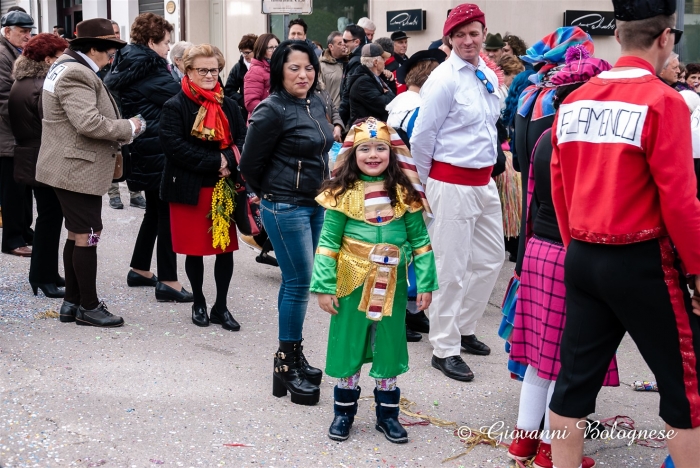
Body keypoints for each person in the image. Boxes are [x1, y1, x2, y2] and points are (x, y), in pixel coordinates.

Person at [548, 0, 700, 466]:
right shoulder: (663, 100)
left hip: (583, 255)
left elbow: (559, 183)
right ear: (666, 38)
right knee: (686, 390)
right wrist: (697, 271)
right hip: (640, 258)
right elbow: (680, 199)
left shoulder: (574, 99)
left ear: (618, 35)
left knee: (573, 385)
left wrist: (577, 248)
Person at [506, 51, 616, 468]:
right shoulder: (587, 139)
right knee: (567, 364)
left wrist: (520, 261)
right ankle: (553, 451)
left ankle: (523, 443)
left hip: (538, 252)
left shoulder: (545, 134)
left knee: (540, 359)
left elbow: (532, 204)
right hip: (571, 252)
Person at [311, 117, 437, 443]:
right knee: (349, 344)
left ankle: (388, 416)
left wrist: (424, 283)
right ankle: (343, 413)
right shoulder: (340, 194)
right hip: (351, 283)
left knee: (389, 347)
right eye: (364, 148)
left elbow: (421, 242)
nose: (373, 154)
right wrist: (324, 287)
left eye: (380, 147)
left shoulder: (404, 194)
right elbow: (327, 244)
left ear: (392, 152)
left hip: (392, 285)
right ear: (352, 153)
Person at [410, 3, 505, 382]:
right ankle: (444, 346)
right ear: (449, 38)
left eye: (475, 33)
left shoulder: (485, 73)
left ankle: (464, 327)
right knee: (449, 268)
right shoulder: (443, 79)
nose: (469, 40)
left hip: (484, 182)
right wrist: (421, 188)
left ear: (483, 35)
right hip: (450, 183)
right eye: (461, 34)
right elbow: (422, 138)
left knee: (489, 259)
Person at [239, 40, 334, 406]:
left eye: (308, 67)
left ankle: (291, 356)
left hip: (315, 204)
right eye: (294, 68)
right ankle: (288, 363)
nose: (303, 75)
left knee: (298, 282)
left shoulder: (317, 102)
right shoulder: (271, 109)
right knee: (299, 283)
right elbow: (249, 165)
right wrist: (270, 196)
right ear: (279, 70)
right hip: (285, 206)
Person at [36, 18, 144, 327]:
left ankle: (72, 303)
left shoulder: (67, 66)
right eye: (110, 51)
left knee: (77, 233)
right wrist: (130, 127)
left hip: (69, 164)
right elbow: (89, 123)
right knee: (88, 235)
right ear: (94, 48)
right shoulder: (76, 72)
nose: (112, 58)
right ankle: (89, 306)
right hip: (75, 167)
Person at [105, 13, 192, 303]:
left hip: (145, 147)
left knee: (154, 211)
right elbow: (183, 100)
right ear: (152, 42)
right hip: (158, 148)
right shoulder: (151, 69)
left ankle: (140, 268)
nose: (169, 48)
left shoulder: (128, 62)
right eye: (166, 43)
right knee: (166, 213)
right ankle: (168, 280)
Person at [159, 44, 246, 330]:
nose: (210, 75)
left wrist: (228, 161)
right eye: (203, 70)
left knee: (225, 250)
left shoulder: (229, 104)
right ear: (188, 71)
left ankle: (221, 306)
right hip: (190, 189)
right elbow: (175, 148)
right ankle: (198, 301)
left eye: (215, 69)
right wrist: (215, 160)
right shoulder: (175, 106)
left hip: (223, 188)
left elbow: (244, 139)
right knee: (194, 251)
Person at [386, 49, 446, 343]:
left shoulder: (399, 102)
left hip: (402, 181)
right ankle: (404, 313)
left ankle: (410, 312)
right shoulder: (418, 105)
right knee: (410, 248)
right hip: (411, 181)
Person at [8, 33, 69, 297]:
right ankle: (42, 277)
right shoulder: (40, 85)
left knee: (49, 217)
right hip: (42, 155)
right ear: (47, 59)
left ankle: (46, 273)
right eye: (59, 57)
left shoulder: (23, 81)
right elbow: (52, 124)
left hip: (31, 153)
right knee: (49, 218)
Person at [0, 10, 34, 258]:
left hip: (19, 133)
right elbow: (4, 97)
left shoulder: (18, 52)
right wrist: (28, 119)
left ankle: (23, 231)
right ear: (7, 31)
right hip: (7, 135)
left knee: (23, 188)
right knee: (12, 191)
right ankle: (12, 239)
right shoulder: (3, 55)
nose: (27, 36)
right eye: (22, 32)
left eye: (28, 31)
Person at [106, 19, 145, 211]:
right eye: (111, 33)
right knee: (115, 154)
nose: (115, 37)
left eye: (117, 32)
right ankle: (113, 194)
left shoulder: (127, 55)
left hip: (129, 111)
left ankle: (135, 194)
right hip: (110, 114)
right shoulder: (101, 59)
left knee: (132, 155)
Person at [347, 43, 395, 124]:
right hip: (368, 132)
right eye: (383, 58)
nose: (385, 61)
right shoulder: (363, 82)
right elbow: (386, 105)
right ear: (375, 62)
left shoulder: (375, 77)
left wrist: (389, 80)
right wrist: (388, 93)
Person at [243, 33, 279, 118]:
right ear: (262, 50)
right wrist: (273, 111)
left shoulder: (278, 68)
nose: (275, 50)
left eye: (277, 47)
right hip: (262, 122)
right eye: (270, 48)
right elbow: (251, 103)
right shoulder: (255, 72)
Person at [338, 24, 367, 123]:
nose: (343, 43)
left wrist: (339, 122)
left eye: (345, 41)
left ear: (357, 42)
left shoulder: (357, 61)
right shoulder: (356, 58)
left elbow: (348, 92)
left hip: (356, 116)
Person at [224, 34, 256, 111]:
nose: (244, 55)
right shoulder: (238, 68)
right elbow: (229, 90)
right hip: (245, 111)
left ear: (256, 50)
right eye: (242, 52)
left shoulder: (265, 65)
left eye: (247, 52)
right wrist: (242, 100)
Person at [319, 31, 347, 109]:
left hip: (350, 113)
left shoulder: (352, 63)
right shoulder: (321, 66)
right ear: (331, 47)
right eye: (340, 43)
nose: (344, 45)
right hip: (333, 112)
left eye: (344, 42)